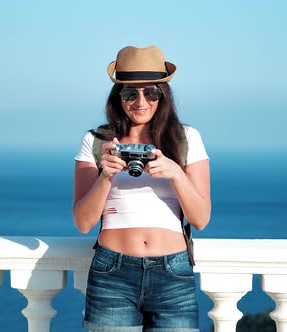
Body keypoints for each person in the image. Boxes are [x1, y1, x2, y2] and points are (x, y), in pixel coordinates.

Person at [73, 45, 211, 332]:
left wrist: (175, 173)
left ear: (163, 95)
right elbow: (83, 222)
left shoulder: (186, 138)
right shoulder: (98, 141)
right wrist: (106, 176)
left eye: (151, 92)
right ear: (118, 96)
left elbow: (201, 219)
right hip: (112, 273)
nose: (140, 101)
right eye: (129, 93)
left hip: (173, 273)